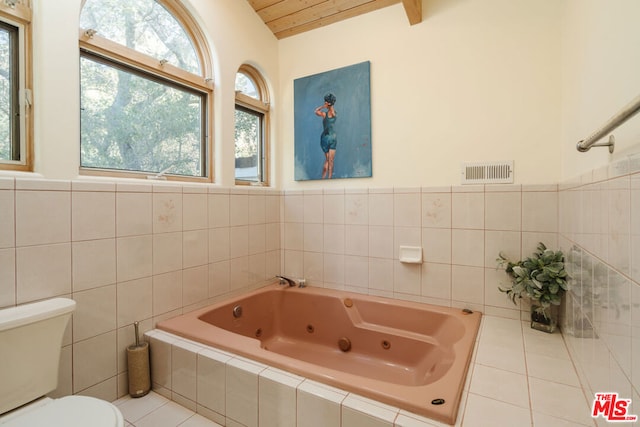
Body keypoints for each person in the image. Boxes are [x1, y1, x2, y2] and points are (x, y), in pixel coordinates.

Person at [314, 93, 337, 179]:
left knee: (329, 160)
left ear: (329, 103)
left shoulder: (330, 114)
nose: (324, 102)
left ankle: (327, 178)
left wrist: (325, 106)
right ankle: (326, 178)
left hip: (329, 138)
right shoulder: (328, 114)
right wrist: (325, 106)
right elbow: (316, 111)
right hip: (328, 138)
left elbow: (316, 111)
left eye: (325, 102)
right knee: (329, 160)